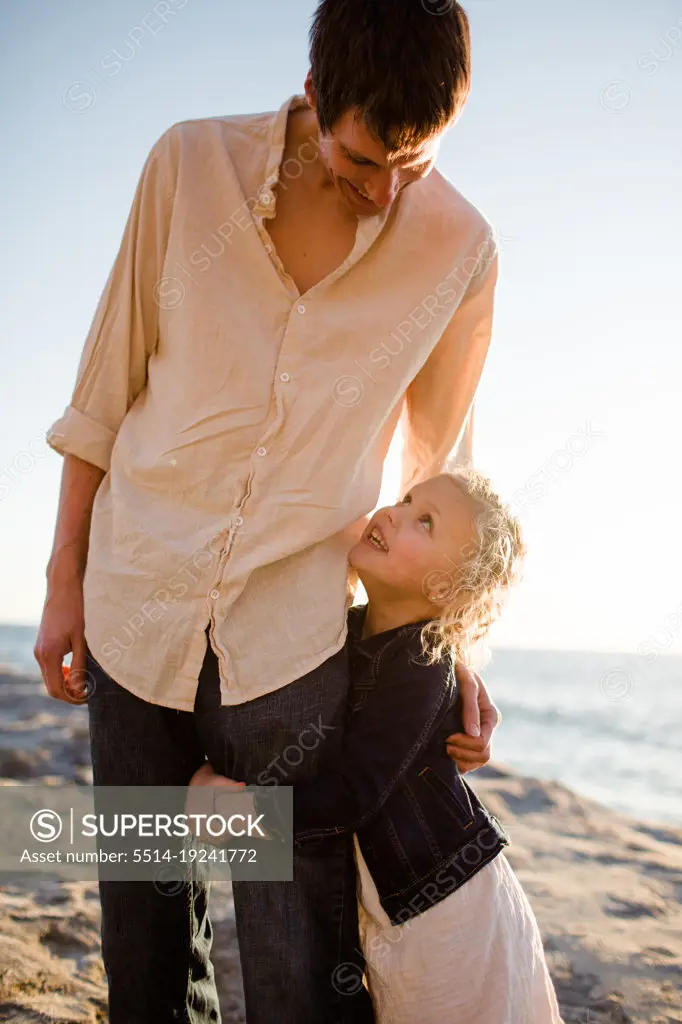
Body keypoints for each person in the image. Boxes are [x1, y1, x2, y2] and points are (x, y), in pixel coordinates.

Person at [35, 1, 503, 1020]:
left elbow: (443, 471)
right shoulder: (186, 165)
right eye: (362, 157)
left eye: (412, 163)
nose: (384, 192)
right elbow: (102, 391)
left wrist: (461, 652)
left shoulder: (460, 247)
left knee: (299, 964)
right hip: (134, 606)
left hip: (293, 647)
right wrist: (61, 578)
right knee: (144, 939)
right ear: (311, 99)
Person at [191, 469, 564, 1024]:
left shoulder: (420, 665)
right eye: (407, 499)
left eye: (425, 521)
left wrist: (240, 814)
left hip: (445, 904)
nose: (393, 511)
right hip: (402, 902)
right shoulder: (350, 629)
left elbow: (354, 794)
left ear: (441, 589)